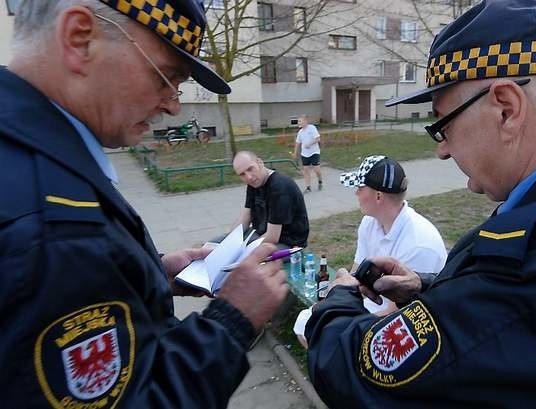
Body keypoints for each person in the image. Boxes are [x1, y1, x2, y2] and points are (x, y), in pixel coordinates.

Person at [305, 0, 536, 407]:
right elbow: (498, 326)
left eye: (441, 124)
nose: (442, 151)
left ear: (506, 109)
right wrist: (428, 291)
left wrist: (339, 298)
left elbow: (353, 373)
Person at [0, 1, 288, 407]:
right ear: (80, 38)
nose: (174, 105)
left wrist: (148, 272)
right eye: (166, 77)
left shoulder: (28, 156)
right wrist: (233, 320)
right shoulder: (53, 228)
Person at [293, 155, 447, 347]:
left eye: (359, 187)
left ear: (378, 196)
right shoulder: (370, 222)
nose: (355, 193)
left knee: (324, 334)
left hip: (405, 326)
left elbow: (397, 313)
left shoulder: (419, 244)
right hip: (373, 305)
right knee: (306, 322)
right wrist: (337, 298)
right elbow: (356, 275)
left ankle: (343, 371)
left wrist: (340, 320)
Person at [231, 150, 309, 249]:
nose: (249, 177)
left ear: (259, 162)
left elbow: (272, 237)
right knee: (215, 244)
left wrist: (240, 249)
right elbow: (246, 216)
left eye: (250, 169)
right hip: (261, 233)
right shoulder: (254, 183)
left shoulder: (279, 187)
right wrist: (230, 240)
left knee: (243, 260)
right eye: (242, 174)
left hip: (288, 243)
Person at [294, 115, 323, 193]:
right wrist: (295, 152)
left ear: (305, 121)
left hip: (314, 152)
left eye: (300, 121)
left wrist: (309, 144)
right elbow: (298, 143)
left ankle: (320, 181)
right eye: (298, 121)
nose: (298, 123)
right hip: (304, 154)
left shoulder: (312, 128)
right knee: (306, 170)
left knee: (317, 170)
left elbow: (318, 139)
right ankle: (308, 187)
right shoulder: (300, 132)